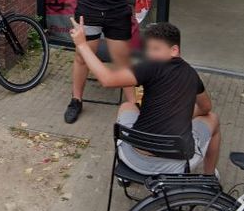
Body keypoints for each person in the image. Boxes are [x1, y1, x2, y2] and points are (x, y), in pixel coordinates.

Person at [69, 18, 220, 176]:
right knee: (213, 119)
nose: (149, 54)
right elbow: (206, 108)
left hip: (132, 159)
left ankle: (128, 176)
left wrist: (82, 45)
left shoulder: (150, 66)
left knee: (127, 106)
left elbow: (107, 79)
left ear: (174, 50)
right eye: (148, 49)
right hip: (175, 167)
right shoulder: (192, 74)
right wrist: (181, 115)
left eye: (156, 49)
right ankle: (209, 178)